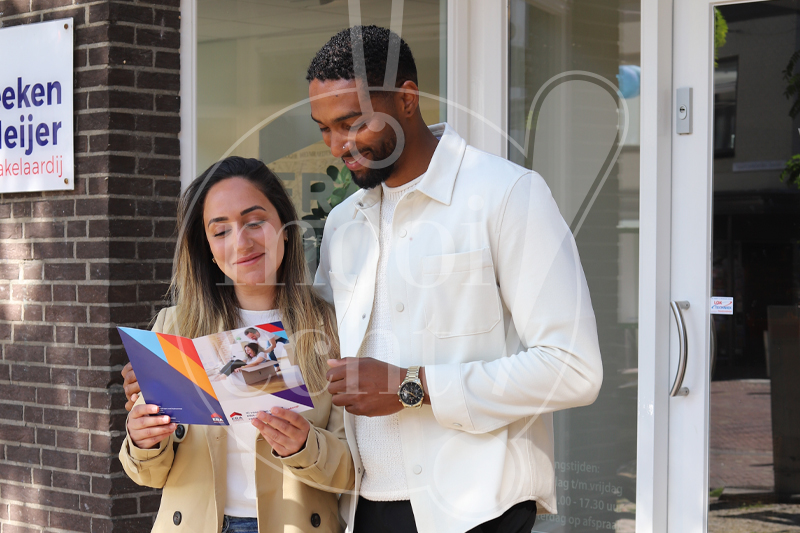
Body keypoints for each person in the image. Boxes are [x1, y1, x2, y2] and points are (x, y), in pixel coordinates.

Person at [308, 26, 604, 533]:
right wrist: (188, 378)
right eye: (324, 129)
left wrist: (411, 386)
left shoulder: (507, 195)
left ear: (406, 99)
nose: (338, 146)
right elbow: (314, 352)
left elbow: (573, 368)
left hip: (477, 512)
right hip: (363, 509)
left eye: (352, 123)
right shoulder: (343, 224)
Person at [118, 157, 354, 533]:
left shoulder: (333, 328)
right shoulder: (176, 327)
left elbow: (354, 472)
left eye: (255, 221)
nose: (241, 243)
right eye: (221, 230)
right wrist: (142, 440)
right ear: (207, 247)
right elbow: (148, 475)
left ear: (286, 227)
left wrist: (304, 446)